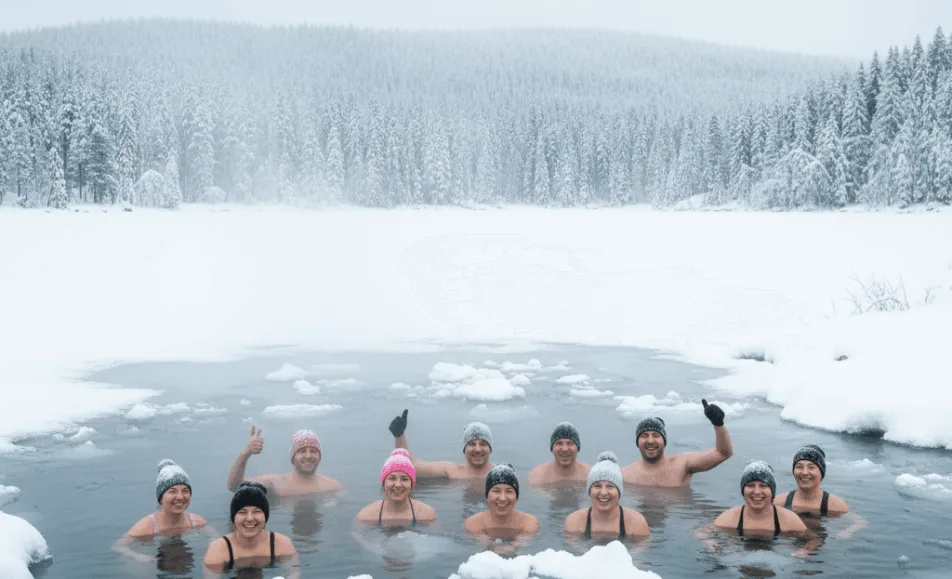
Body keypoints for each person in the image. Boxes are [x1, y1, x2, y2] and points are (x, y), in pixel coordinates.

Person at [709, 461, 820, 559]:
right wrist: (710, 544)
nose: (757, 491)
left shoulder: (789, 520)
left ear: (772, 491)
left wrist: (805, 551)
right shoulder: (728, 518)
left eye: (763, 485)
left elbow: (814, 539)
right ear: (743, 490)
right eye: (750, 485)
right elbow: (704, 532)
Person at [114, 459, 209, 563]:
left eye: (185, 491)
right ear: (161, 498)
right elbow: (119, 546)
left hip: (186, 563)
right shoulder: (147, 526)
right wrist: (138, 556)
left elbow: (215, 539)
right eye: (172, 491)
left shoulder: (197, 521)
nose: (180, 497)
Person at [622, 399, 733, 487]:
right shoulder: (625, 475)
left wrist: (718, 424)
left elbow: (723, 453)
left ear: (664, 441)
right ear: (637, 442)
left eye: (656, 435)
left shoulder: (682, 465)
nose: (650, 441)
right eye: (644, 436)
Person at [203, 482, 299, 577]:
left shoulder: (281, 544)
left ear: (265, 516)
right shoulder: (219, 549)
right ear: (233, 518)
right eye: (242, 512)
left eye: (256, 511)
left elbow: (294, 573)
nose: (249, 519)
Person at [774, 444, 867, 539]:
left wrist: (847, 532)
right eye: (799, 467)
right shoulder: (781, 501)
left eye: (811, 467)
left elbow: (860, 522)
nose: (805, 472)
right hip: (790, 543)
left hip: (820, 546)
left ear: (821, 472)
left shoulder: (833, 504)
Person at [226, 426, 343, 496]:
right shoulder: (275, 484)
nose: (308, 456)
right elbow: (234, 487)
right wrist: (245, 454)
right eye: (302, 451)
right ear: (292, 457)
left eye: (313, 451)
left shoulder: (332, 486)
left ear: (319, 455)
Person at [563, 452, 649, 540]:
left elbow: (640, 553)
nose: (603, 492)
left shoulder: (637, 524)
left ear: (619, 493)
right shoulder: (573, 523)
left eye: (610, 486)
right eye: (597, 486)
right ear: (589, 491)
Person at [389, 409, 494, 480]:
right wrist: (399, 436)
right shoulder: (451, 471)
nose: (477, 449)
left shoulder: (500, 474)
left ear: (490, 448)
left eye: (483, 444)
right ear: (464, 449)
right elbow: (410, 467)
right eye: (472, 444)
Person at [356, 449, 438, 527]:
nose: (398, 484)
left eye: (404, 479)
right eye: (392, 478)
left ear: (412, 484)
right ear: (384, 483)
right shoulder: (366, 516)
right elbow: (360, 537)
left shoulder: (426, 514)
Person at [464, 464, 539, 543]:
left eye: (509, 491)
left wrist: (512, 546)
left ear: (516, 497)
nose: (502, 498)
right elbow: (486, 546)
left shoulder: (528, 523)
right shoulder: (474, 523)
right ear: (487, 495)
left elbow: (521, 547)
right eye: (496, 491)